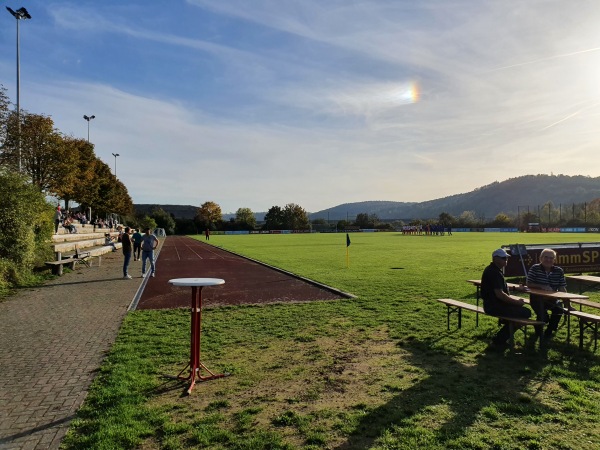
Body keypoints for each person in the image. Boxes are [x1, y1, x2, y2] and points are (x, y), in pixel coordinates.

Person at [481, 248, 531, 349]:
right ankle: (499, 340)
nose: (506, 260)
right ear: (495, 259)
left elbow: (501, 288)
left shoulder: (492, 270)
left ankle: (500, 338)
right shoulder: (494, 272)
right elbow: (500, 294)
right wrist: (516, 302)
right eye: (503, 258)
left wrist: (515, 288)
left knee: (520, 313)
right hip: (494, 306)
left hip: (492, 304)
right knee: (526, 313)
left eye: (506, 258)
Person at [526, 248, 566, 340]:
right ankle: (538, 332)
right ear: (541, 258)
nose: (548, 260)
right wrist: (541, 286)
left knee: (559, 310)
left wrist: (568, 304)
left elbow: (562, 288)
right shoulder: (535, 268)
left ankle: (549, 331)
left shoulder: (559, 271)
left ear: (554, 260)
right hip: (537, 299)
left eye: (551, 258)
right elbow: (529, 283)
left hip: (552, 300)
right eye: (546, 257)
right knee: (543, 317)